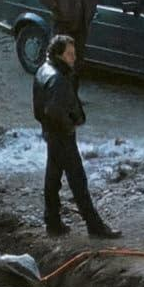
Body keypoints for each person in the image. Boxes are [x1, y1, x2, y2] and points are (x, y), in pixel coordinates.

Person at [33, 34, 121, 239]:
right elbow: (54, 110)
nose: (74, 58)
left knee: (53, 177)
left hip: (51, 132)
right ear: (59, 55)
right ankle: (95, 227)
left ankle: (53, 222)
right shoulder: (58, 78)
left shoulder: (44, 70)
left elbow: (44, 109)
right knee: (77, 181)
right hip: (61, 135)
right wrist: (69, 126)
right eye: (70, 54)